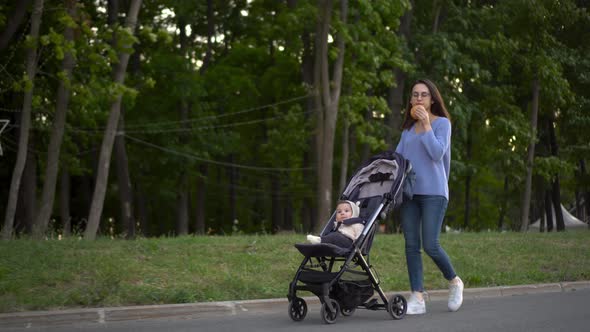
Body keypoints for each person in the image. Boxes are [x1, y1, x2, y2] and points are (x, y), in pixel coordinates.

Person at [395, 79, 464, 315]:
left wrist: (426, 124)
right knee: (411, 245)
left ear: (432, 99)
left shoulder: (442, 124)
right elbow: (398, 161)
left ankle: (454, 281)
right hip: (409, 194)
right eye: (415, 95)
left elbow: (436, 153)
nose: (418, 99)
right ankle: (418, 296)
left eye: (423, 95)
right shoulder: (406, 130)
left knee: (430, 245)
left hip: (434, 192)